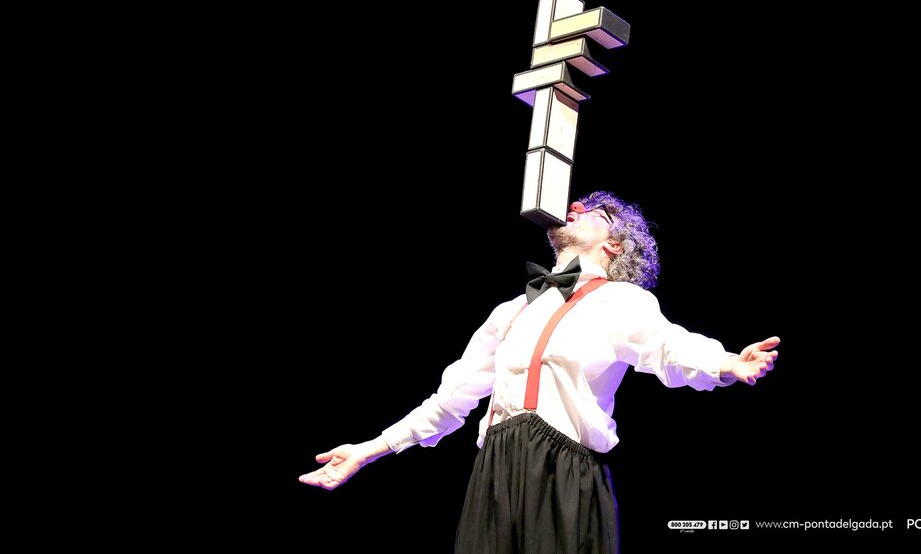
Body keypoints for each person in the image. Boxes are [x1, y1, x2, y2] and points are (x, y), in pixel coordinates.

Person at [299, 191, 780, 552]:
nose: (575, 207)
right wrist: (367, 450)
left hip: (563, 471)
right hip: (494, 468)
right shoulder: (510, 311)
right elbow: (449, 400)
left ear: (615, 245)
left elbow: (668, 346)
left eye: (595, 212)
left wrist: (726, 362)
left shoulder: (619, 300)